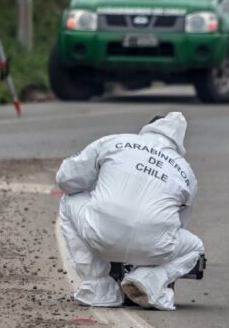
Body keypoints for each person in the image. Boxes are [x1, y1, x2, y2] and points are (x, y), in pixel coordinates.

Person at [57, 112, 204, 310]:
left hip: (101, 235)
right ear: (179, 142)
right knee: (195, 248)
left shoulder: (116, 141)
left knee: (70, 199)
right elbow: (180, 223)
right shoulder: (186, 173)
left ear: (147, 128)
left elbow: (66, 179)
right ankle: (147, 281)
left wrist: (96, 192)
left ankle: (98, 289)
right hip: (152, 248)